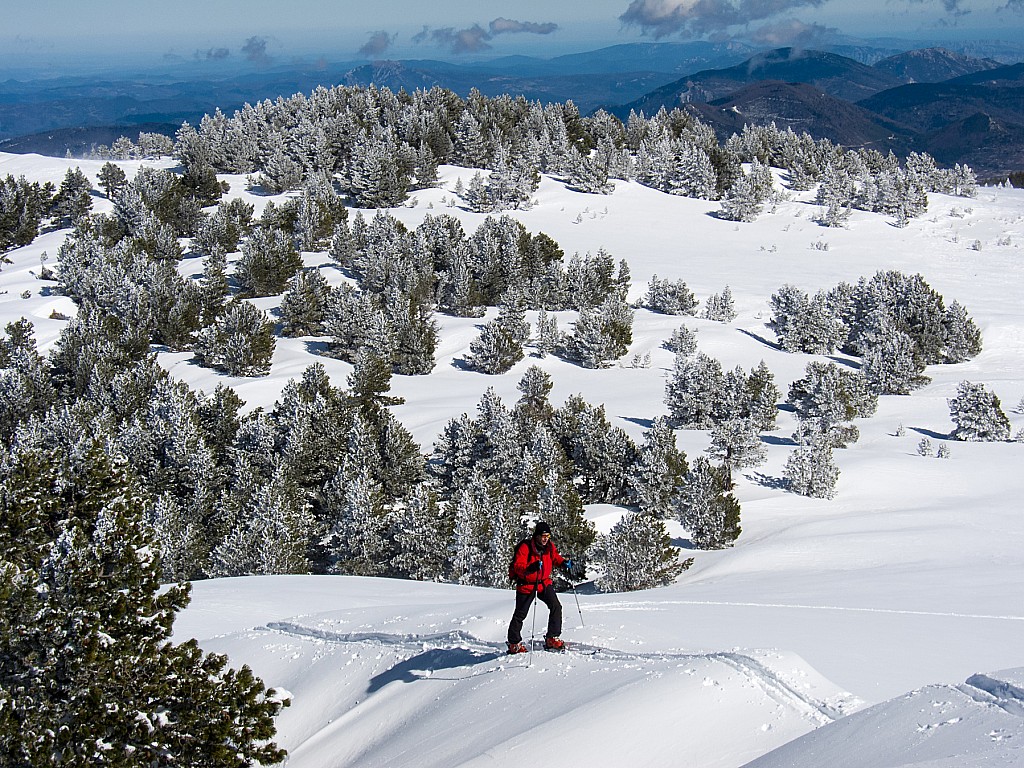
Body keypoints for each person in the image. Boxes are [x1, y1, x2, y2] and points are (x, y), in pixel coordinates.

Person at [506, 521, 573, 654]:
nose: (545, 539)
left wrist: (563, 563)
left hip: (543, 583)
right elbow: (518, 566)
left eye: (548, 536)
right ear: (536, 536)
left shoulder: (549, 547)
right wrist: (531, 568)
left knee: (556, 606)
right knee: (520, 614)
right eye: (543, 536)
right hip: (526, 585)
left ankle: (552, 638)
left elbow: (555, 558)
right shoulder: (525, 547)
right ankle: (514, 643)